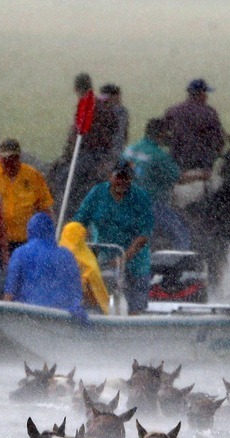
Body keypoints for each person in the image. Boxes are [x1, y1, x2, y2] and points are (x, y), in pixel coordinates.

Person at [74, 161, 154, 315]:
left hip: (135, 262)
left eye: (126, 178)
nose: (122, 182)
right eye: (118, 177)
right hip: (103, 259)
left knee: (135, 309)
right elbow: (79, 221)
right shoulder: (97, 193)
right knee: (95, 302)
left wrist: (122, 260)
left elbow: (144, 235)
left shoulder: (141, 197)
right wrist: (80, 248)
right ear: (110, 177)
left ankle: (133, 329)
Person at [51, 73, 120, 212]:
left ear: (76, 89)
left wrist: (66, 156)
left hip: (89, 155)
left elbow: (76, 135)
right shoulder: (104, 106)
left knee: (63, 181)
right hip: (103, 154)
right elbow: (114, 130)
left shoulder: (87, 105)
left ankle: (65, 213)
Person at [123, 118, 191, 250]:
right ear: (161, 134)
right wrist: (201, 175)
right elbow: (179, 178)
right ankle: (180, 259)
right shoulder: (159, 156)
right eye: (167, 133)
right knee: (181, 232)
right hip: (151, 205)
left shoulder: (128, 150)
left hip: (124, 201)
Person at [0, 138, 54, 253]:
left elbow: (45, 209)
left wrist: (49, 237)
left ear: (20, 157)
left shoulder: (33, 176)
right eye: (6, 159)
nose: (10, 163)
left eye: (14, 158)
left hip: (25, 242)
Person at [3, 212, 85, 318]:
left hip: (27, 316)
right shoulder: (67, 255)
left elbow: (10, 291)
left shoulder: (19, 253)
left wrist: (4, 315)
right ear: (52, 231)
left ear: (29, 230)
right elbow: (77, 293)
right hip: (62, 317)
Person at [163, 78, 224, 172]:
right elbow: (219, 140)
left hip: (175, 165)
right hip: (201, 166)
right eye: (205, 93)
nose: (207, 97)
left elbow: (163, 136)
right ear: (201, 94)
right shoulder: (209, 112)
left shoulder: (172, 111)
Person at [59, 221, 110, 314]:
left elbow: (94, 299)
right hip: (70, 307)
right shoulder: (87, 259)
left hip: (89, 311)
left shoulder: (87, 263)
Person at [100, 83, 130, 164]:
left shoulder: (100, 110)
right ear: (114, 96)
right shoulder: (122, 111)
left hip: (105, 152)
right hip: (115, 151)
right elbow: (125, 133)